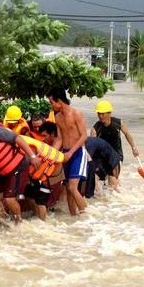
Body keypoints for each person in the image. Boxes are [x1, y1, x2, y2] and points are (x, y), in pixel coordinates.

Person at [47, 88, 88, 216]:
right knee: (69, 190)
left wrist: (71, 152)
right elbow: (59, 138)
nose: (51, 105)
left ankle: (88, 217)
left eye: (51, 102)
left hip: (78, 153)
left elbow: (84, 136)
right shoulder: (57, 117)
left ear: (59, 101)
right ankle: (74, 218)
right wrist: (51, 154)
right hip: (65, 154)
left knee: (72, 187)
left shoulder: (76, 114)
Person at [24, 121, 65, 220]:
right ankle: (38, 217)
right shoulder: (43, 145)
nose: (43, 138)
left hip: (50, 179)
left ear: (52, 135)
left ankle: (43, 223)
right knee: (28, 194)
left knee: (41, 201)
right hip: (40, 176)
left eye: (45, 136)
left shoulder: (57, 145)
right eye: (41, 136)